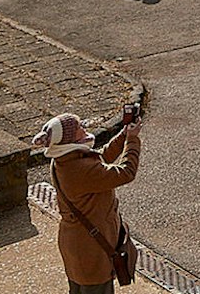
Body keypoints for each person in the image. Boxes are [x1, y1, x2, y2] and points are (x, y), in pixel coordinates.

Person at [34, 110, 140, 294]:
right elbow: (126, 173)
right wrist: (132, 140)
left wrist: (123, 135)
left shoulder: (65, 160)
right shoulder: (79, 169)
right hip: (91, 250)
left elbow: (100, 158)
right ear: (69, 139)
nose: (83, 127)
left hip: (77, 246)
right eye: (78, 127)